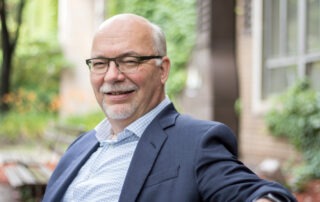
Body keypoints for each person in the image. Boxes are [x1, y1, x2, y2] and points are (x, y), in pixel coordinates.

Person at [43, 13, 296, 202]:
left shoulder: (195, 142)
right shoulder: (81, 146)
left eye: (129, 61)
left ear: (162, 70)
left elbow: (252, 193)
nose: (112, 76)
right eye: (100, 63)